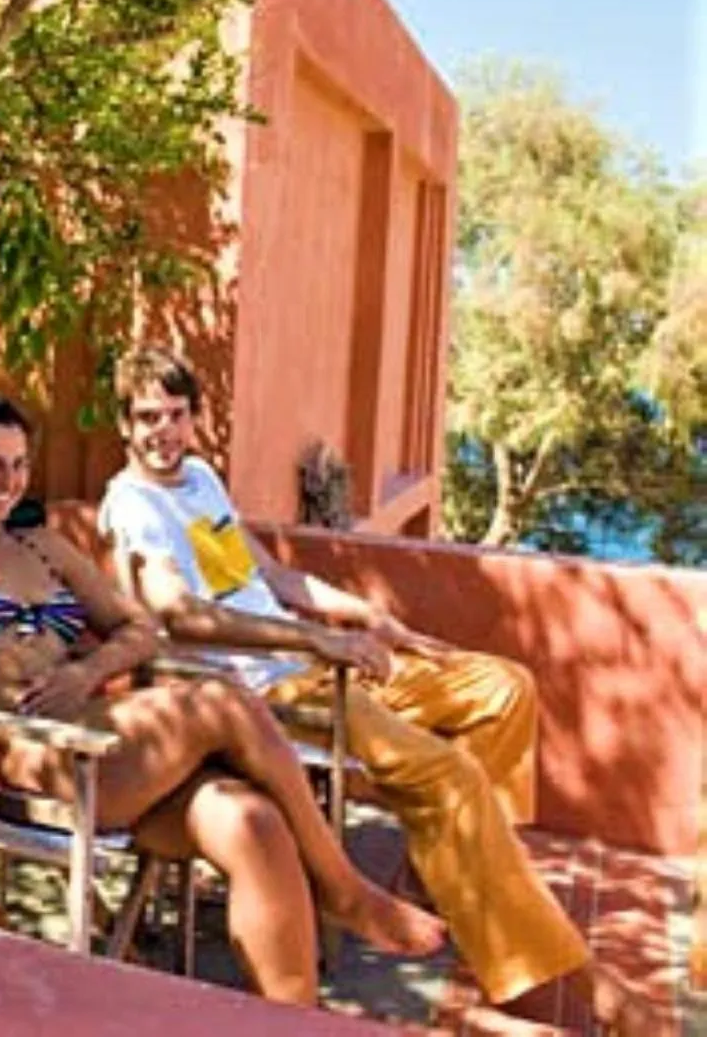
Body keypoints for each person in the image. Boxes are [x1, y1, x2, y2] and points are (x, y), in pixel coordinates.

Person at [98, 345, 671, 1036]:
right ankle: (578, 980)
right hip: (261, 692)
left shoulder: (197, 480)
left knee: (500, 687)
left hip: (317, 661)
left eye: (175, 413)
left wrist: (368, 616)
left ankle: (448, 879)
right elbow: (178, 613)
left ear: (194, 417)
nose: (162, 430)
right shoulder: (132, 504)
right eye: (146, 417)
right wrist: (313, 641)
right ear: (124, 425)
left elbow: (269, 579)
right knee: (450, 774)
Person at [0, 391, 445, 1005]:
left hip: (106, 747)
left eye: (18, 464)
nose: (7, 481)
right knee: (220, 702)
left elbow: (139, 628)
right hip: (27, 755)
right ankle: (343, 887)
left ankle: (293, 1019)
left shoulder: (44, 546)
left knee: (255, 824)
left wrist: (88, 670)